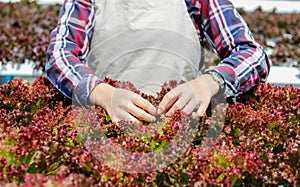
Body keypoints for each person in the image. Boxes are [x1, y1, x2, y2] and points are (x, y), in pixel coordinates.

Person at [46, 0, 270, 123]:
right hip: (108, 131)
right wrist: (101, 93)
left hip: (180, 134)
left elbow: (251, 53)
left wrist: (211, 82)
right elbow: (59, 55)